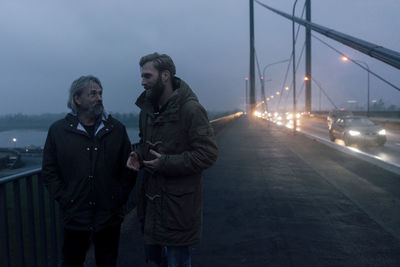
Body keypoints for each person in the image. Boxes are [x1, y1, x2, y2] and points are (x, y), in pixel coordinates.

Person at [127, 53, 218, 267]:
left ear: (165, 75)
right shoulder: (147, 110)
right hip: (151, 203)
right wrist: (138, 156)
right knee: (155, 261)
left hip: (178, 207)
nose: (142, 82)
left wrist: (166, 163)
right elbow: (146, 143)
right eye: (141, 77)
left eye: (147, 76)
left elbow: (208, 154)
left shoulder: (190, 109)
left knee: (177, 261)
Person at [41, 75, 136, 267]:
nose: (99, 98)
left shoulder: (116, 129)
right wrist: (64, 197)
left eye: (100, 93)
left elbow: (128, 167)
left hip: (108, 215)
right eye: (93, 93)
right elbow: (49, 170)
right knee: (72, 262)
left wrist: (118, 197)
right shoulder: (58, 131)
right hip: (75, 215)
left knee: (107, 262)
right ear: (77, 99)